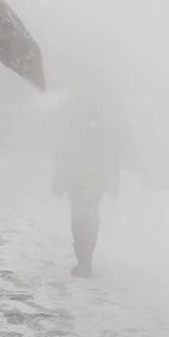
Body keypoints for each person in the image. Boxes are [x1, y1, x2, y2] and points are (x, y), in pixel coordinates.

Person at [52, 73, 128, 278]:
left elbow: (64, 152)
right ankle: (86, 258)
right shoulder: (101, 130)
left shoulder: (79, 128)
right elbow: (110, 157)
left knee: (80, 217)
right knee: (88, 216)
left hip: (82, 178)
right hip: (91, 178)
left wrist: (59, 179)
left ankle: (84, 259)